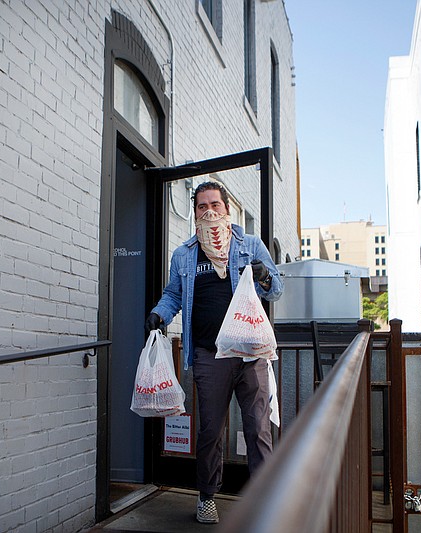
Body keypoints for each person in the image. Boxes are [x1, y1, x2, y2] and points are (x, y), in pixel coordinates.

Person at [145, 181, 283, 524]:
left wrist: (264, 274)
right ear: (194, 214)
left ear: (227, 209)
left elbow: (277, 288)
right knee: (209, 431)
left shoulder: (249, 246)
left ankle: (264, 500)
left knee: (258, 429)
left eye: (215, 205)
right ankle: (207, 497)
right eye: (201, 206)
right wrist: (159, 314)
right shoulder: (184, 254)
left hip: (250, 355)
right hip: (209, 356)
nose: (209, 211)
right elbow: (173, 295)